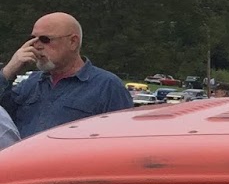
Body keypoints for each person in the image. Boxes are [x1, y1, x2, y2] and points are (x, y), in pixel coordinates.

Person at [1, 13, 133, 138]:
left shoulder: (107, 86)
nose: (36, 46)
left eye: (45, 39)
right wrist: (8, 71)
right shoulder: (31, 83)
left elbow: (122, 140)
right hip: (23, 160)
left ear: (73, 42)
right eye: (32, 39)